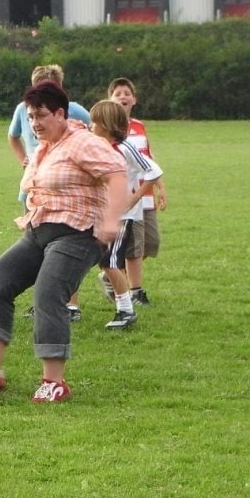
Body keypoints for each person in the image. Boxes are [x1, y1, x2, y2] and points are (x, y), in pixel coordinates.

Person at [0, 82, 127, 403]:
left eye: (41, 115)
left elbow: (117, 174)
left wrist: (112, 221)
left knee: (48, 292)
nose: (34, 123)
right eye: (30, 116)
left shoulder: (83, 142)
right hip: (38, 232)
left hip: (78, 234)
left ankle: (54, 382)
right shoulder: (45, 147)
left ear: (60, 113)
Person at [8, 63, 91, 321]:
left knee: (64, 247)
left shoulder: (75, 110)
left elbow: (92, 136)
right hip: (36, 186)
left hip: (64, 189)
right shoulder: (23, 109)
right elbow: (13, 136)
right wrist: (23, 160)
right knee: (38, 246)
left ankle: (71, 304)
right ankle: (43, 301)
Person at [88, 100, 163, 330]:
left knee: (109, 261)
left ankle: (126, 310)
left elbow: (153, 171)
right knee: (103, 260)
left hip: (123, 216)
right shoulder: (97, 147)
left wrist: (134, 198)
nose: (90, 126)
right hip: (101, 214)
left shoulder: (125, 147)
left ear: (106, 124)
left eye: (94, 122)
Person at [109, 77, 167, 306]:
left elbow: (148, 159)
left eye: (127, 93)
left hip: (146, 192)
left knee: (151, 243)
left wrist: (161, 186)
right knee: (133, 246)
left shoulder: (139, 126)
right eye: (118, 94)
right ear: (110, 99)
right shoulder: (109, 128)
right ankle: (134, 290)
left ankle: (112, 272)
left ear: (134, 99)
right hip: (128, 196)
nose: (123, 97)